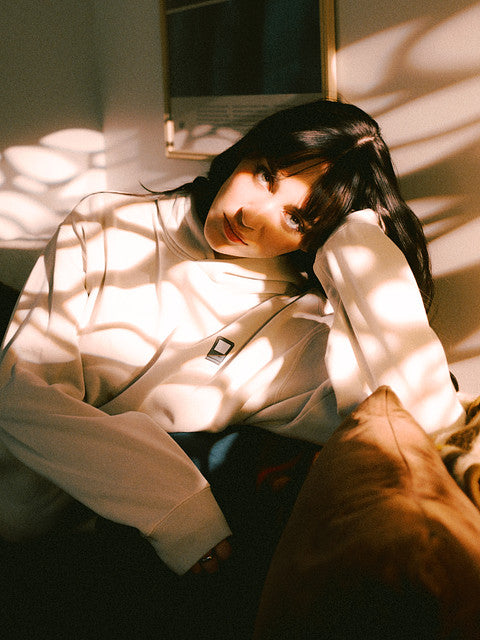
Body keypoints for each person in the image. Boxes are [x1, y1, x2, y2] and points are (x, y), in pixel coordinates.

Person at [0, 99, 465, 577]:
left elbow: (418, 417)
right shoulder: (106, 221)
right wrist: (176, 505)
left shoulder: (291, 314)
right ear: (245, 151)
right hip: (20, 512)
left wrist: (357, 244)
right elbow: (24, 395)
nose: (250, 216)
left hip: (103, 551)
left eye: (297, 218)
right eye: (265, 175)